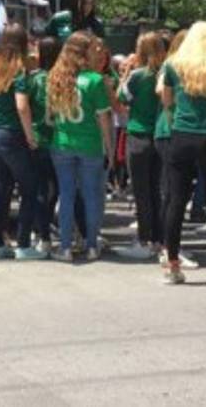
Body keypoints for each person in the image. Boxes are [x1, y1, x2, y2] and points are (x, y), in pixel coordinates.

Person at [159, 21, 206, 285]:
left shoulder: (174, 65)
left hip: (181, 133)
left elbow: (166, 100)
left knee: (176, 201)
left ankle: (172, 265)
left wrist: (176, 114)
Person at [46, 31, 114, 262]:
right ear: (83, 52)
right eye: (92, 48)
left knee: (66, 195)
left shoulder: (55, 77)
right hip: (90, 145)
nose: (96, 52)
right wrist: (110, 149)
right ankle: (92, 245)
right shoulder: (94, 81)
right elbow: (104, 119)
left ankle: (65, 247)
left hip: (63, 143)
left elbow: (51, 115)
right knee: (91, 195)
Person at [0, 23, 42, 260]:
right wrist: (30, 136)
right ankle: (23, 244)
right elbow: (22, 106)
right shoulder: (19, 70)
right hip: (12, 134)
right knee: (29, 187)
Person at [115, 32, 165, 261]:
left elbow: (121, 97)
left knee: (141, 191)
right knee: (157, 190)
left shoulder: (137, 75)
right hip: (160, 136)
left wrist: (125, 74)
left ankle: (143, 238)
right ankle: (158, 238)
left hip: (138, 134)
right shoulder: (164, 74)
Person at [26, 36, 60, 252]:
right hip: (58, 139)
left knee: (39, 188)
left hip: (38, 138)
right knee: (55, 189)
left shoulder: (34, 79)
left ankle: (42, 234)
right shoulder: (62, 79)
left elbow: (24, 107)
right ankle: (46, 227)